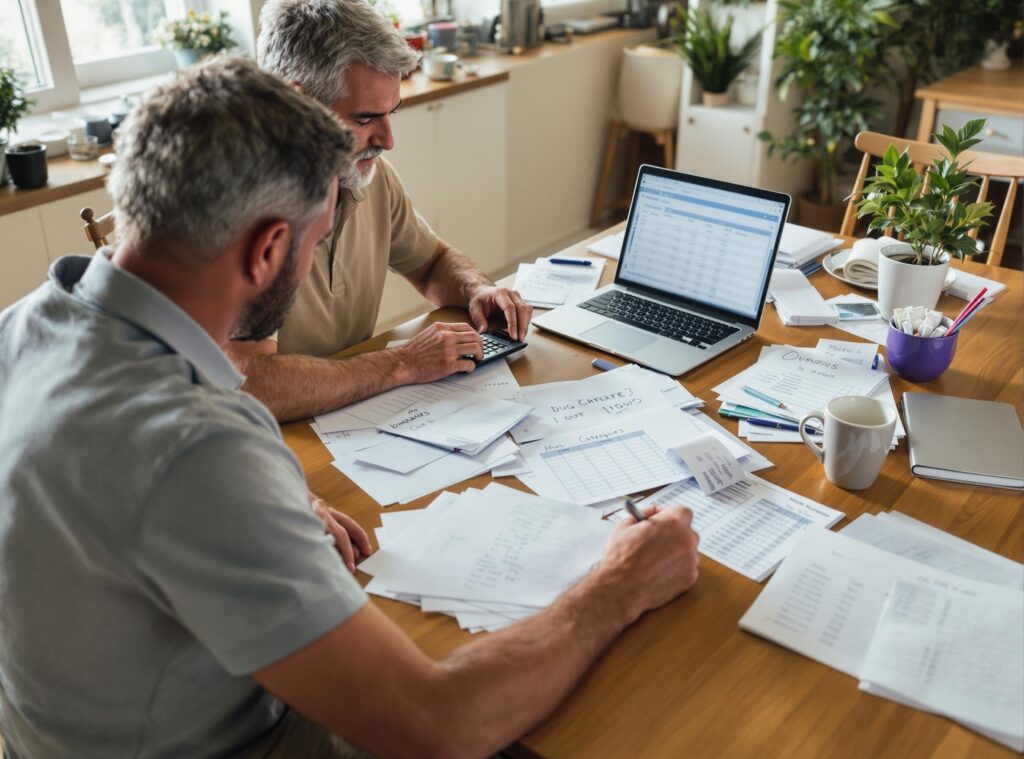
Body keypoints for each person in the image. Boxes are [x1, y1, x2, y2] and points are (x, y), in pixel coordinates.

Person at [0, 58, 700, 758]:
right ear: (269, 248)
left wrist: (260, 503)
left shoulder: (21, 327)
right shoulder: (197, 451)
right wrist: (619, 582)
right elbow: (439, 724)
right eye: (314, 241)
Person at [228, 0, 533, 422]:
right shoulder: (240, 206)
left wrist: (476, 289)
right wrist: (402, 362)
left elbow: (430, 263)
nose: (388, 141)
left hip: (354, 415)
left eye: (393, 112)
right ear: (298, 105)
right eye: (365, 118)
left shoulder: (364, 174)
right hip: (274, 439)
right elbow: (254, 385)